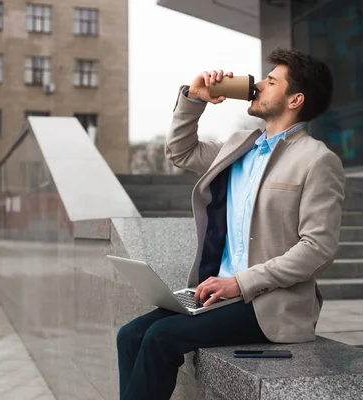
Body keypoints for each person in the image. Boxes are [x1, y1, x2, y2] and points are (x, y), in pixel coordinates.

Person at [117, 48, 345, 400]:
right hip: (217, 294)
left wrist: (240, 283)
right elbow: (181, 152)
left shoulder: (317, 160)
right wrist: (195, 98)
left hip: (266, 303)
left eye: (271, 82)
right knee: (129, 335)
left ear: (295, 99)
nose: (258, 86)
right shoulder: (242, 145)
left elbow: (319, 248)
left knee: (161, 337)